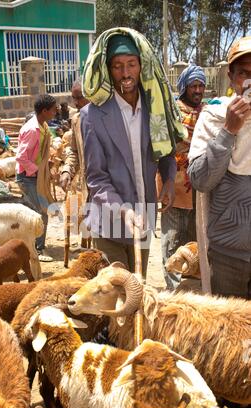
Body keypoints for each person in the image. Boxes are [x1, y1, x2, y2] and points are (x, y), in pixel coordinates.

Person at [81, 28, 185, 276]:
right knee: (118, 297)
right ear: (107, 69)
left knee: (140, 287)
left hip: (144, 218)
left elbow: (165, 149)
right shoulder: (92, 116)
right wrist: (123, 210)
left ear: (142, 66)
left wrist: (169, 180)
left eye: (131, 64)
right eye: (117, 66)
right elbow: (96, 179)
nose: (126, 73)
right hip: (110, 223)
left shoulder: (154, 107)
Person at [188, 36, 251, 299]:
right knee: (230, 335)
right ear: (231, 77)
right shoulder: (213, 116)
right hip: (229, 254)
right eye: (244, 74)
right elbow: (200, 180)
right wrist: (229, 130)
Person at [159, 65, 206, 289]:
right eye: (193, 86)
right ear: (184, 87)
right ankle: (173, 290)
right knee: (172, 240)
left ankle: (190, 288)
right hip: (175, 188)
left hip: (201, 188)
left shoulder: (208, 111)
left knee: (194, 241)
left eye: (200, 86)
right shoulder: (173, 112)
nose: (197, 90)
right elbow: (166, 145)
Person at [15, 94, 57, 262]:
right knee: (41, 212)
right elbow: (21, 157)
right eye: (53, 109)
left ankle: (31, 245)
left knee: (37, 211)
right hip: (28, 177)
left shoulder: (43, 126)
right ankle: (38, 249)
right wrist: (38, 171)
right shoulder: (32, 130)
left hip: (35, 176)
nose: (56, 112)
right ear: (44, 111)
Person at [59, 77, 89, 198]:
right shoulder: (76, 120)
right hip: (87, 185)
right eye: (74, 98)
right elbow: (74, 151)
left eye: (80, 97)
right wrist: (67, 170)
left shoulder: (107, 119)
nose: (76, 103)